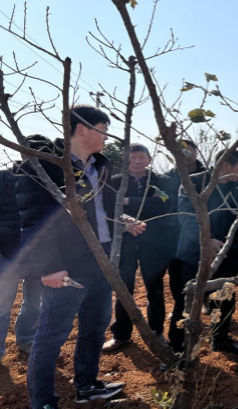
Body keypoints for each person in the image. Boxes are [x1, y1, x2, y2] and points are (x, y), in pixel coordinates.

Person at [15, 106, 145, 408]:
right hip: (67, 267)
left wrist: (123, 219)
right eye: (103, 129)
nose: (107, 137)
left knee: (95, 327)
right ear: (83, 129)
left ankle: (86, 385)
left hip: (101, 261)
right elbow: (33, 219)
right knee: (51, 336)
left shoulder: (101, 166)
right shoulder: (47, 167)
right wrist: (50, 267)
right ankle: (43, 401)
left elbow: (102, 209)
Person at [171, 149, 238, 355]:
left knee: (225, 298)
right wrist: (206, 240)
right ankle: (178, 347)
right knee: (188, 300)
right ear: (225, 165)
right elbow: (186, 215)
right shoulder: (194, 182)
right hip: (195, 253)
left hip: (227, 254)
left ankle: (220, 338)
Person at [103, 143, 173, 352]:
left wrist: (126, 200)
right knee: (123, 287)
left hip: (155, 241)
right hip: (125, 240)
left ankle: (157, 332)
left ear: (149, 160)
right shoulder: (114, 181)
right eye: (132, 158)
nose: (136, 162)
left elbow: (163, 205)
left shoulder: (161, 181)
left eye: (141, 157)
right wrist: (125, 220)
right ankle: (121, 334)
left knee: (155, 288)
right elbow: (107, 208)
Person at [164, 139, 207, 342]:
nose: (184, 155)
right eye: (180, 151)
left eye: (188, 152)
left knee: (201, 272)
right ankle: (180, 306)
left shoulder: (207, 176)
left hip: (200, 235)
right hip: (173, 235)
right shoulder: (167, 177)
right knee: (176, 275)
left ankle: (203, 304)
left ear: (196, 153)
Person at [0, 165, 41, 359]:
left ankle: (26, 339)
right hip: (7, 251)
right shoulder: (4, 179)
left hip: (39, 252)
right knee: (2, 303)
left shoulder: (47, 180)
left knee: (35, 301)